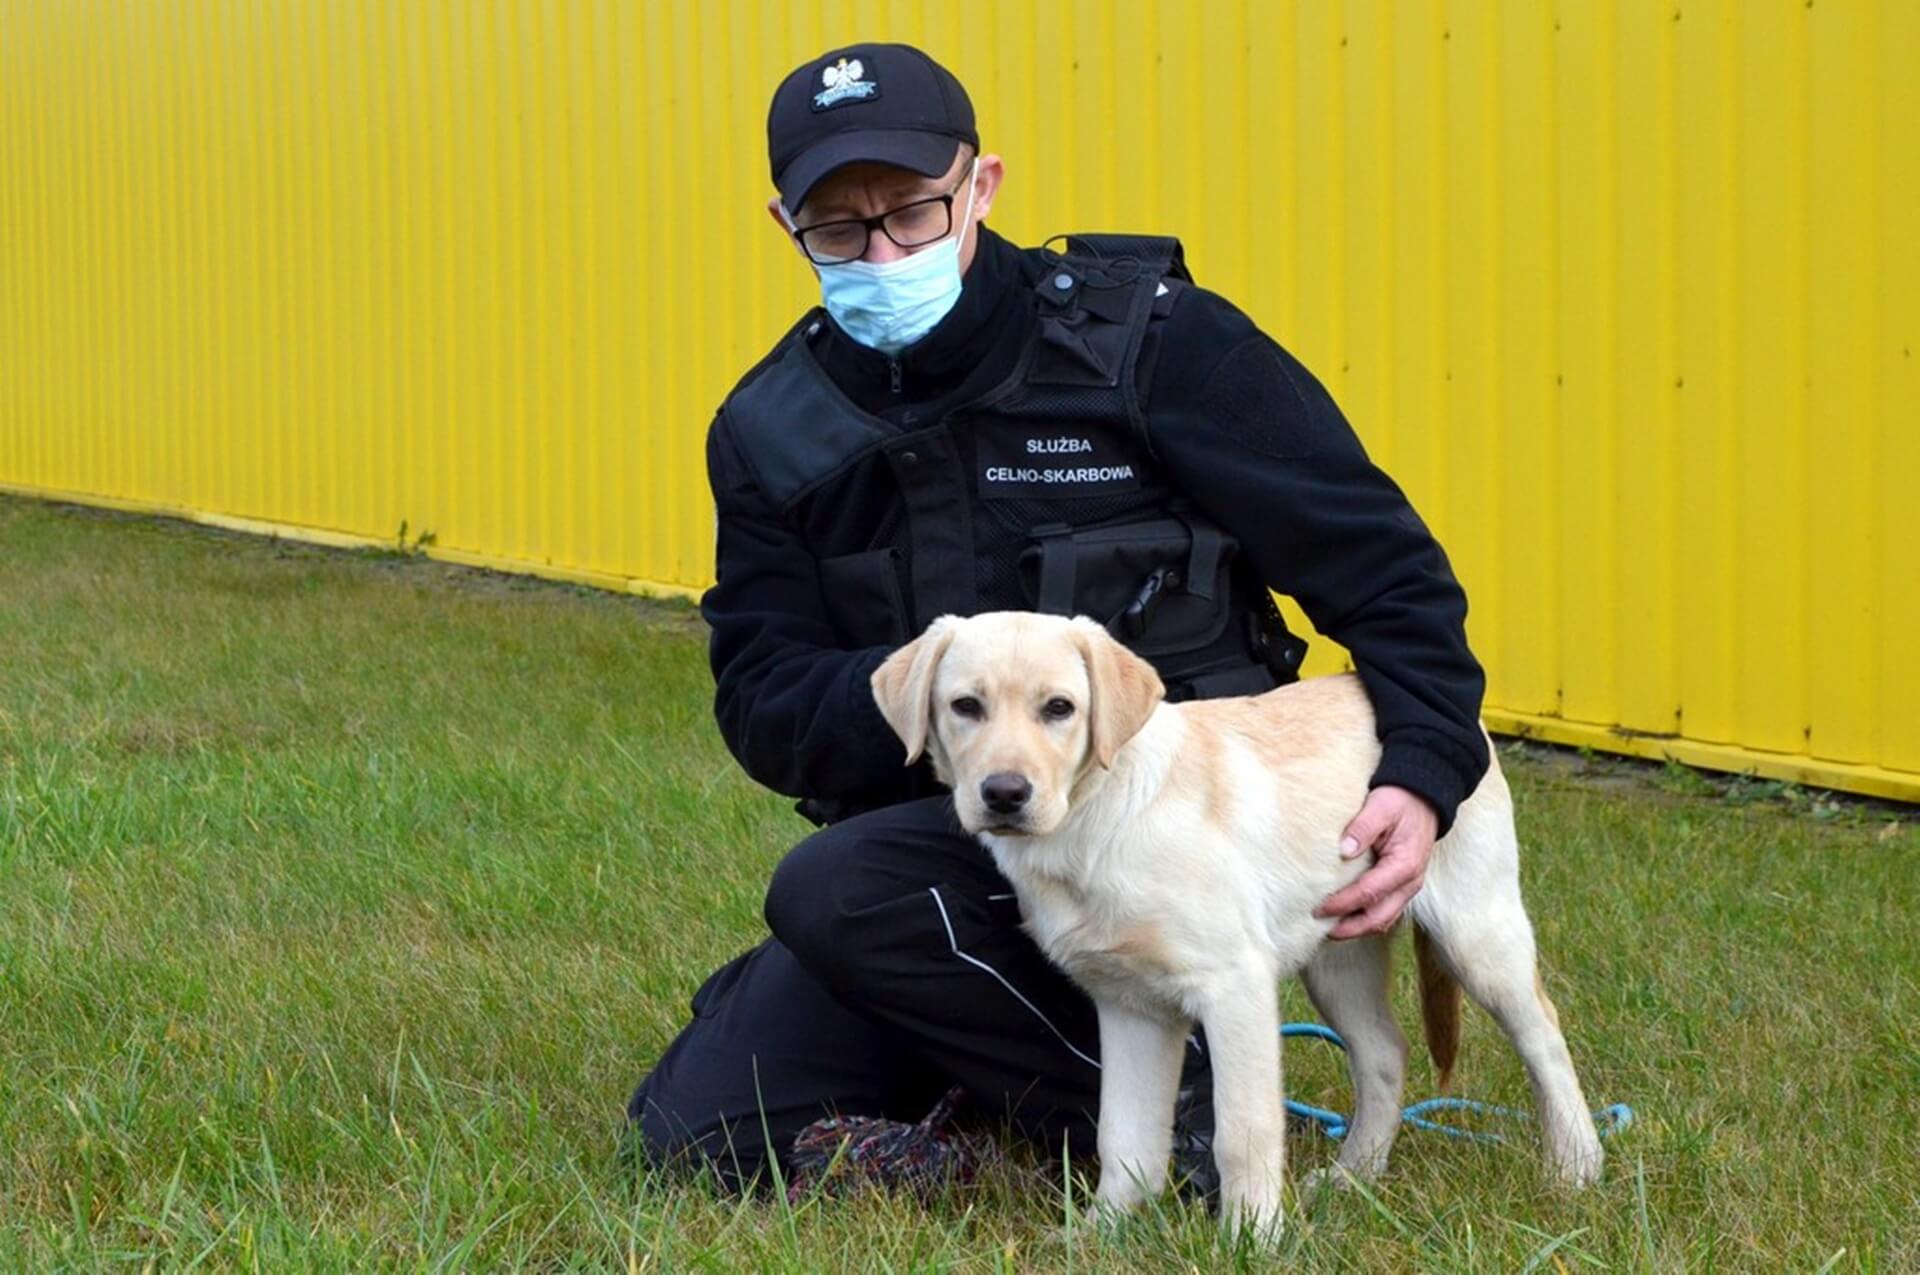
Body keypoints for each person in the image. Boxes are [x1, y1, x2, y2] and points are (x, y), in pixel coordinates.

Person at [625, 41, 1488, 1192]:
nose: (882, 252)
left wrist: (1424, 773)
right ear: (785, 224)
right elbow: (763, 694)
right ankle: (996, 1102)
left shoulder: (1157, 346)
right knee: (698, 1126)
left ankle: (1169, 1117)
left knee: (829, 894)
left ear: (980, 186)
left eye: (913, 214)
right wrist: (932, 693)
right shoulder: (772, 430)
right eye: (840, 228)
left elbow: (1385, 571)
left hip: (1170, 832)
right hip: (947, 852)